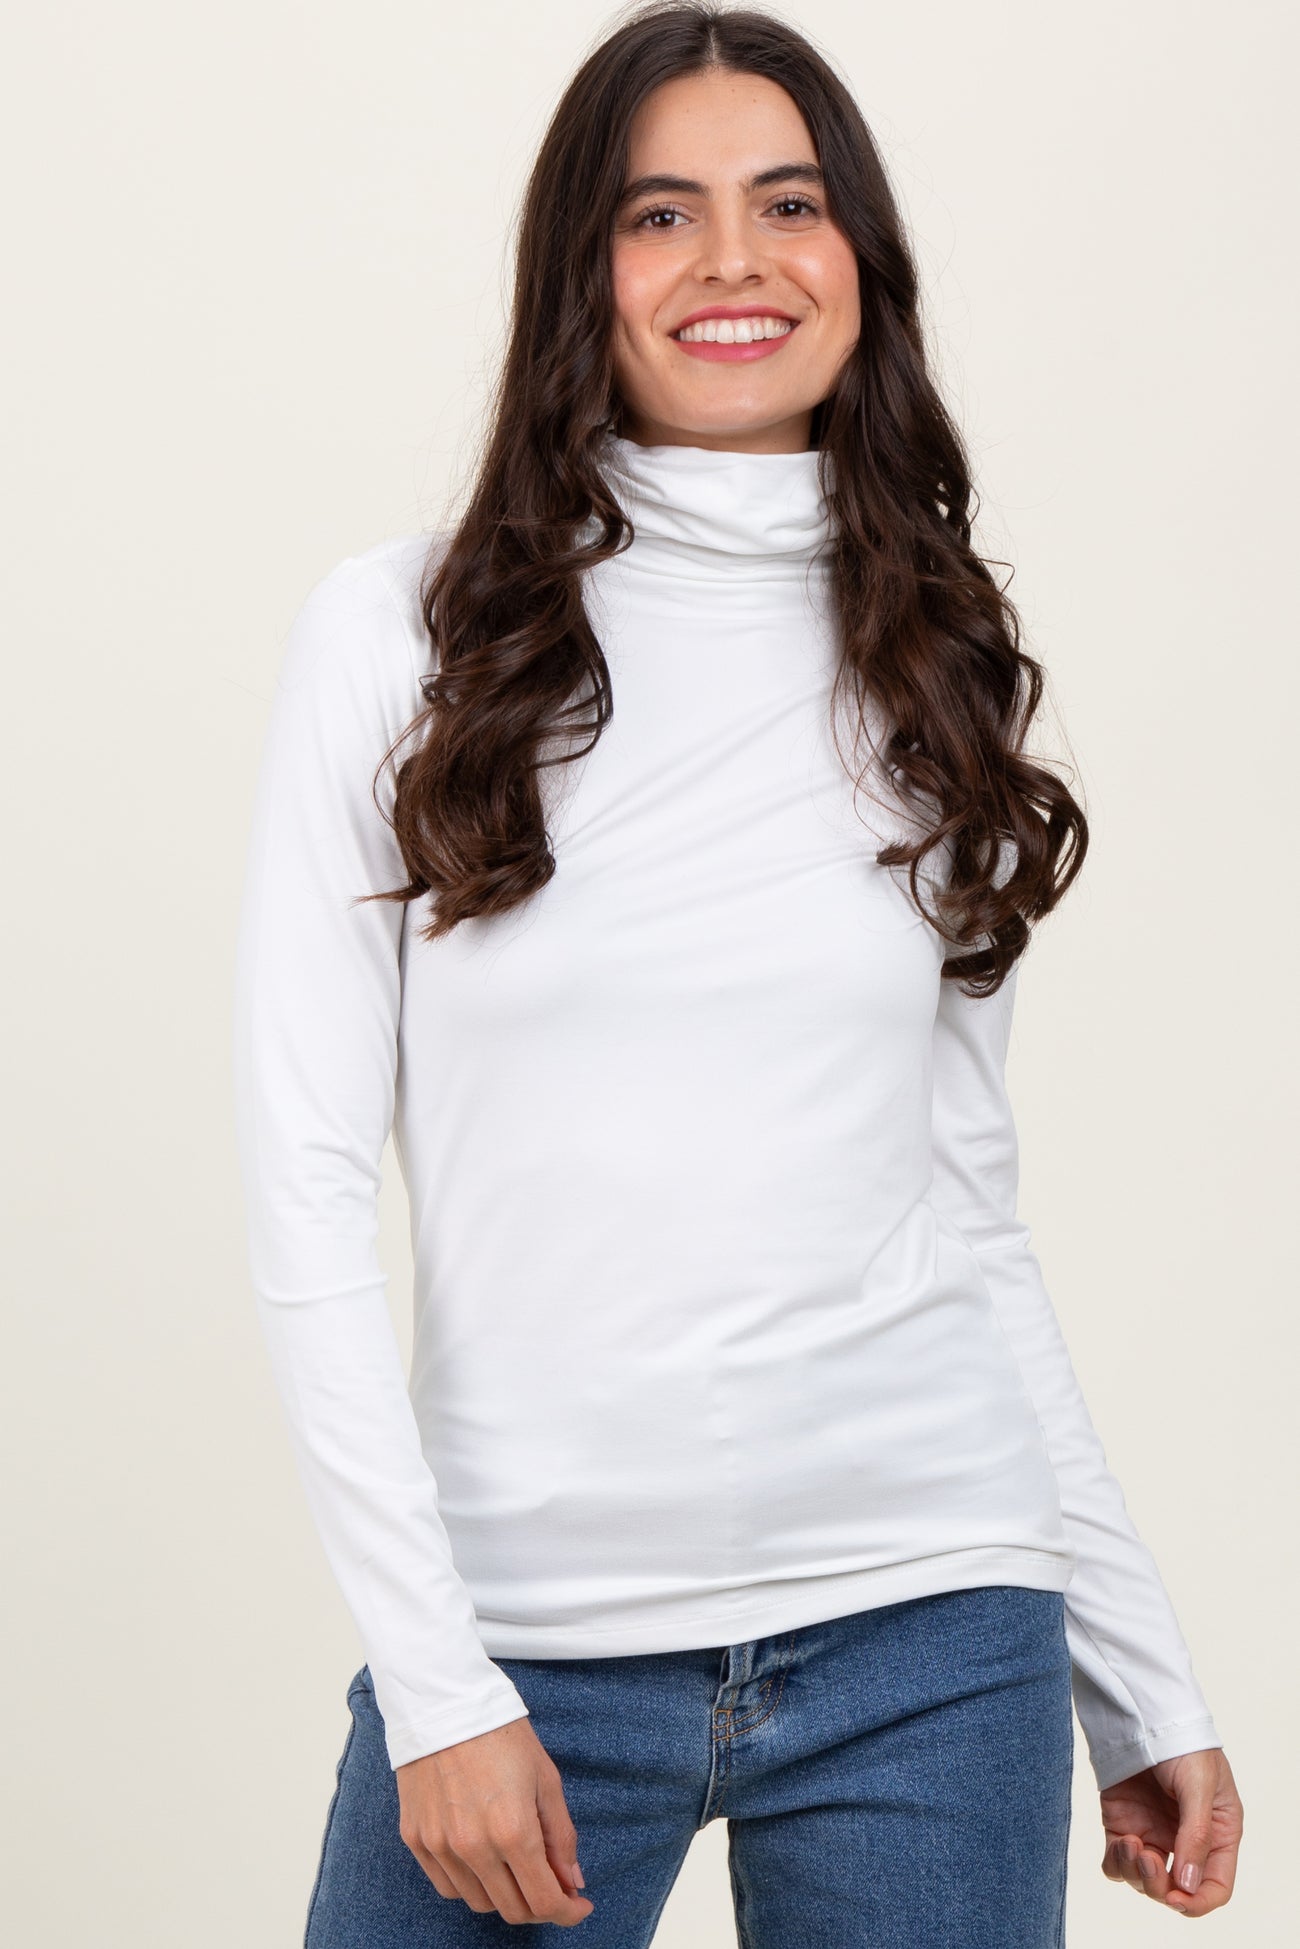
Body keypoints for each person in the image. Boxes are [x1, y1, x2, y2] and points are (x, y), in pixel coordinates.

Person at [232, 4, 1243, 1942]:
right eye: (657, 214)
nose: (730, 262)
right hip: (527, 1646)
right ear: (579, 270)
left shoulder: (929, 653)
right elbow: (302, 1187)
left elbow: (966, 1210)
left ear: (859, 254)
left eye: (787, 203)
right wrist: (436, 1685)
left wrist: (1137, 1671)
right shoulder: (403, 638)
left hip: (933, 1635)